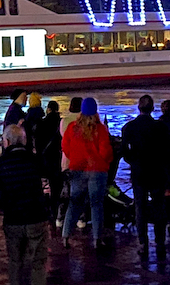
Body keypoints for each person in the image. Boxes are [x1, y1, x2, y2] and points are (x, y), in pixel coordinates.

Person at [0, 125, 48, 285]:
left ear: (6, 142)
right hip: (36, 216)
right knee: (38, 262)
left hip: (13, 217)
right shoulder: (35, 160)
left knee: (15, 261)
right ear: (24, 141)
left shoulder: (0, 164)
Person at [121, 94, 170, 260]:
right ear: (153, 108)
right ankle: (160, 240)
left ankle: (142, 241)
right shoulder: (161, 127)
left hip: (139, 172)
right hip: (157, 172)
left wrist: (134, 161)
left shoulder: (129, 127)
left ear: (138, 108)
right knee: (159, 207)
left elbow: (125, 153)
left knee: (140, 208)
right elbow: (166, 150)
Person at [60, 97, 113, 249]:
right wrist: (107, 160)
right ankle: (97, 238)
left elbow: (65, 147)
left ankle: (65, 236)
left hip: (77, 169)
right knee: (96, 205)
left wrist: (75, 159)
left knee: (74, 203)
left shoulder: (72, 128)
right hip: (97, 171)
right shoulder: (101, 129)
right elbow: (105, 152)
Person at [34, 101, 63, 224]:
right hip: (58, 158)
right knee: (58, 186)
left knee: (46, 184)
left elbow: (36, 140)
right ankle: (58, 212)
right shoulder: (60, 122)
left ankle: (49, 210)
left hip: (45, 158)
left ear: (48, 109)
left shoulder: (41, 123)